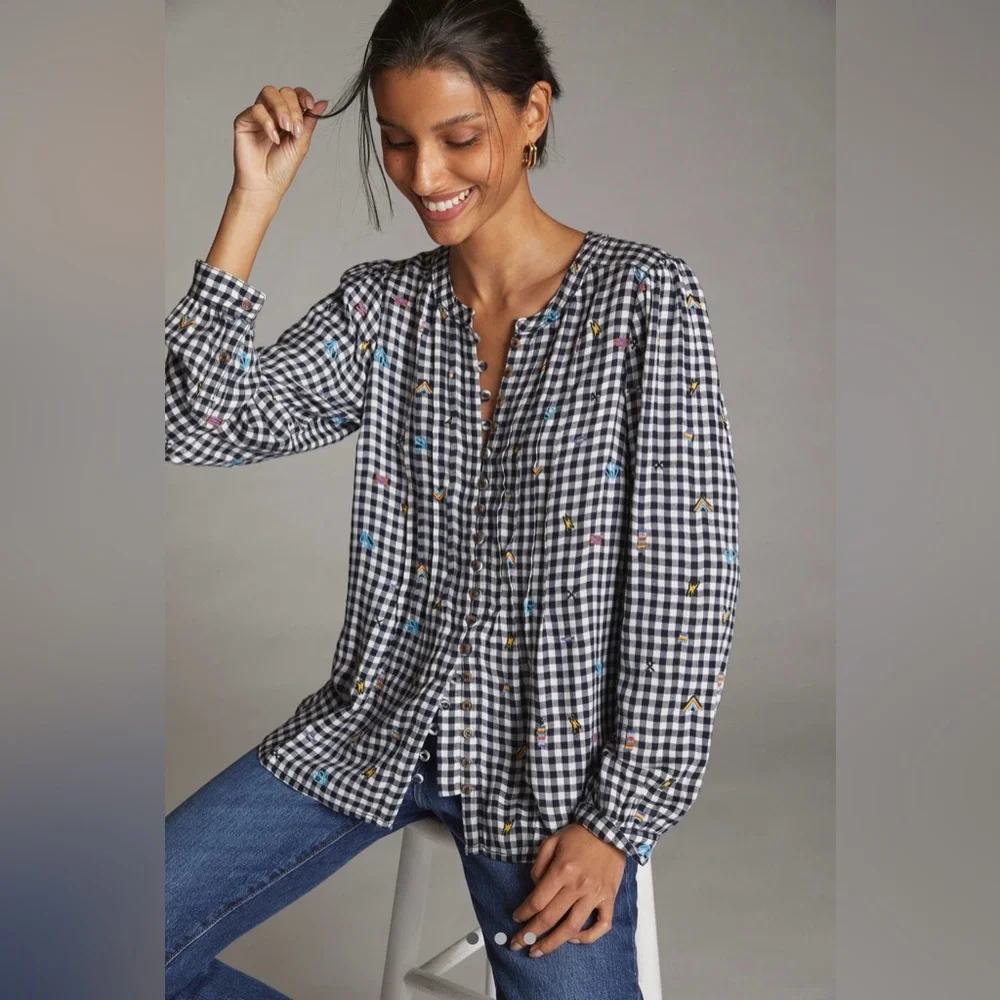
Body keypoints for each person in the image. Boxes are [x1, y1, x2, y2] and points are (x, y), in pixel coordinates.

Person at [164, 1, 741, 997]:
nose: (425, 176)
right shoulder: (382, 308)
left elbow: (685, 585)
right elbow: (197, 422)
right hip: (369, 730)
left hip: (546, 779)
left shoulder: (644, 299)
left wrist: (617, 821)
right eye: (396, 142)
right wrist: (252, 201)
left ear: (532, 113)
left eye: (459, 138)